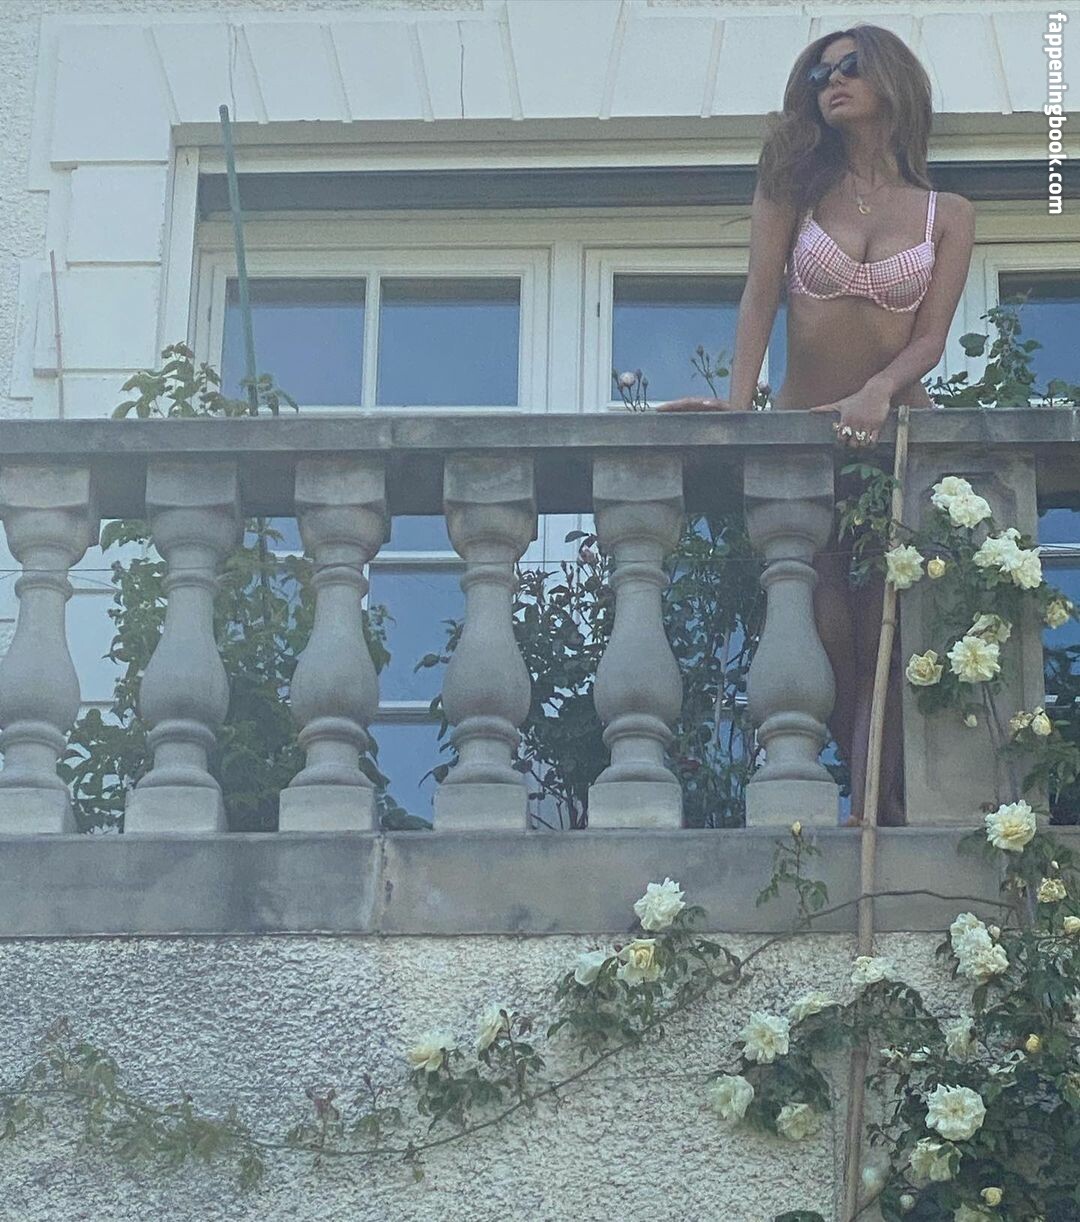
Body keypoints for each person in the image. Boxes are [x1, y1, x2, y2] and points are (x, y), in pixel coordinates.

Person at [659, 24, 975, 824]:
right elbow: (759, 295)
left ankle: (882, 809)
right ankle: (867, 798)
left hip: (893, 439)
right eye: (819, 74)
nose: (832, 81)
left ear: (892, 81)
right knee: (828, 633)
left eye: (850, 67)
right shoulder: (792, 188)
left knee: (888, 641)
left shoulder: (947, 213)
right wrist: (739, 408)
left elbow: (931, 339)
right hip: (807, 443)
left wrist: (879, 391)